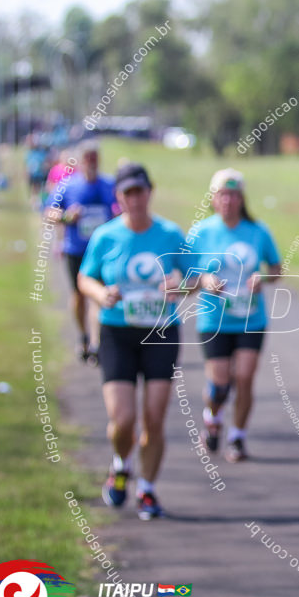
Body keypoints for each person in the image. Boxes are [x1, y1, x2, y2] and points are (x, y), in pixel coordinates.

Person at [78, 163, 194, 520]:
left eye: (139, 191)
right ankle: (120, 465)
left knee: (154, 418)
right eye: (127, 193)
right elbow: (85, 278)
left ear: (150, 191)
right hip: (117, 333)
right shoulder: (106, 236)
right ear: (119, 198)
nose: (135, 199)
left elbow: (195, 279)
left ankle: (147, 490)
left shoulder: (170, 234)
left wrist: (181, 285)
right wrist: (101, 294)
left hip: (160, 333)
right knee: (124, 418)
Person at [187, 168, 281, 462]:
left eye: (234, 195)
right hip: (213, 319)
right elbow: (186, 280)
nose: (228, 201)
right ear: (213, 199)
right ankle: (212, 418)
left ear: (242, 199)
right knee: (220, 385)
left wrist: (262, 279)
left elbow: (276, 270)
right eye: (222, 195)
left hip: (250, 318)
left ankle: (237, 437)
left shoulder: (258, 231)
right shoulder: (200, 232)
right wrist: (205, 281)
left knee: (244, 377)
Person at [45, 141, 117, 364]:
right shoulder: (67, 186)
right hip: (76, 249)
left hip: (104, 252)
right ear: (81, 161)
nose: (92, 163)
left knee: (99, 294)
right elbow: (49, 212)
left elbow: (121, 210)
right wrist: (67, 217)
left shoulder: (109, 185)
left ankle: (97, 343)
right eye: (88, 158)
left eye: (95, 158)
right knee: (79, 295)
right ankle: (84, 336)